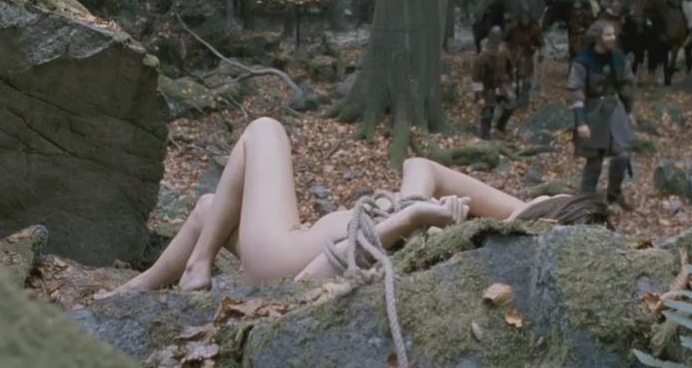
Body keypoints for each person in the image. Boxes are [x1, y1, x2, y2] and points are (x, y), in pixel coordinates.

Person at [102, 117, 605, 294]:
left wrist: (409, 216)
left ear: (550, 215)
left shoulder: (478, 251)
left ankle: (197, 264)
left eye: (547, 198)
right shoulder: (505, 223)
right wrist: (416, 202)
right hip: (292, 241)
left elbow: (314, 278)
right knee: (212, 206)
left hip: (286, 258)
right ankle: (136, 289)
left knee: (264, 130)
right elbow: (421, 164)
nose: (537, 195)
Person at [568, 19, 636, 205]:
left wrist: (628, 110)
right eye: (608, 35)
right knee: (595, 160)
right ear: (597, 37)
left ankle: (614, 196)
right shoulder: (583, 60)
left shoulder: (618, 57)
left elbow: (626, 84)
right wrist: (581, 121)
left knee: (622, 154)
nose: (612, 38)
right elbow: (576, 90)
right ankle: (585, 201)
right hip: (593, 111)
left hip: (614, 109)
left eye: (613, 34)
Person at [473, 26, 515, 139]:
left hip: (501, 85)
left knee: (511, 103)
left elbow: (510, 68)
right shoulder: (483, 57)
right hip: (487, 88)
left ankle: (500, 128)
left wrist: (511, 81)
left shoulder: (503, 51)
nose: (495, 44)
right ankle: (485, 136)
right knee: (487, 112)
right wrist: (480, 97)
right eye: (493, 41)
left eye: (497, 41)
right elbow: (477, 79)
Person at [505, 6, 545, 110]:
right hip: (514, 57)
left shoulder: (534, 28)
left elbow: (541, 43)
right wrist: (506, 54)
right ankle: (514, 101)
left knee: (526, 82)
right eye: (523, 17)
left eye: (527, 17)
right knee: (514, 81)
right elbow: (504, 41)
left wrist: (541, 54)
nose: (525, 20)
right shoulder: (513, 27)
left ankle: (524, 104)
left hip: (527, 56)